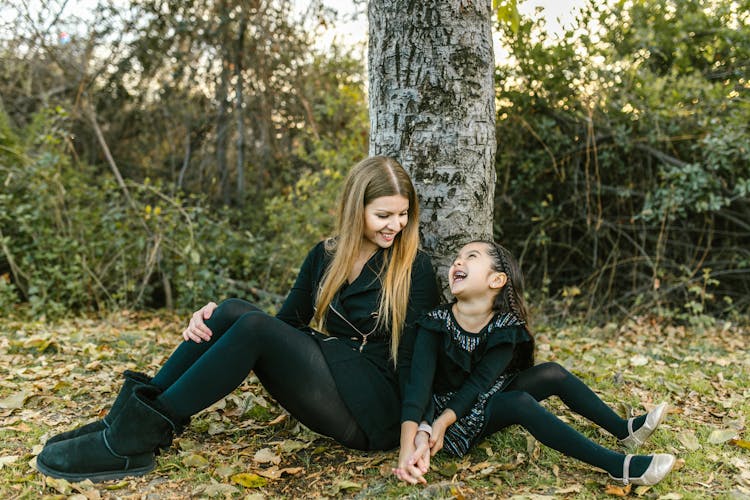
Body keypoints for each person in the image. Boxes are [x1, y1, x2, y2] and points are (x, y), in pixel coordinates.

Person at [36, 156, 441, 483]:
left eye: (403, 214)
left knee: (253, 326)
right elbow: (289, 324)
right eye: (384, 215)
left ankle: (135, 441)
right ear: (357, 209)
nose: (396, 226)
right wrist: (215, 320)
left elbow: (419, 361)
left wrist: (414, 434)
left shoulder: (413, 268)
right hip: (338, 370)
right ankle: (123, 422)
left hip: (377, 405)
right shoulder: (326, 255)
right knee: (231, 309)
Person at [393, 241, 675, 487]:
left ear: (497, 280)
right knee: (519, 403)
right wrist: (433, 426)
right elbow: (419, 385)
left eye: (471, 256)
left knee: (552, 372)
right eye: (458, 256)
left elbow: (482, 382)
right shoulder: (434, 323)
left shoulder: (506, 327)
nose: (458, 260)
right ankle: (617, 466)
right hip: (452, 421)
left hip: (480, 394)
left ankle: (624, 430)